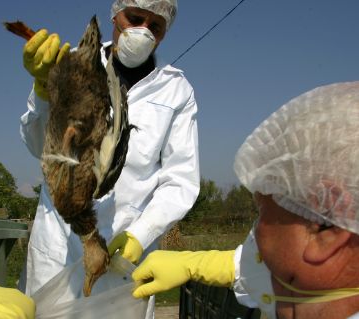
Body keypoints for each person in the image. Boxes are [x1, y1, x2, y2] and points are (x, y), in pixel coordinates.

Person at [18, 0, 200, 316]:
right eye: (135, 19)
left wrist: (141, 234)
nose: (143, 32)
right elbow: (39, 146)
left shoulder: (176, 90)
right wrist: (45, 91)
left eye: (155, 26)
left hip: (122, 260)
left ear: (164, 34)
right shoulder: (73, 62)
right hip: (59, 247)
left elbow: (180, 181)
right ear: (115, 16)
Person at [131, 81, 359, 319]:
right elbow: (256, 266)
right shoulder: (317, 285)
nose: (257, 234)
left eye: (261, 211)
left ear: (325, 227)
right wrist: (193, 264)